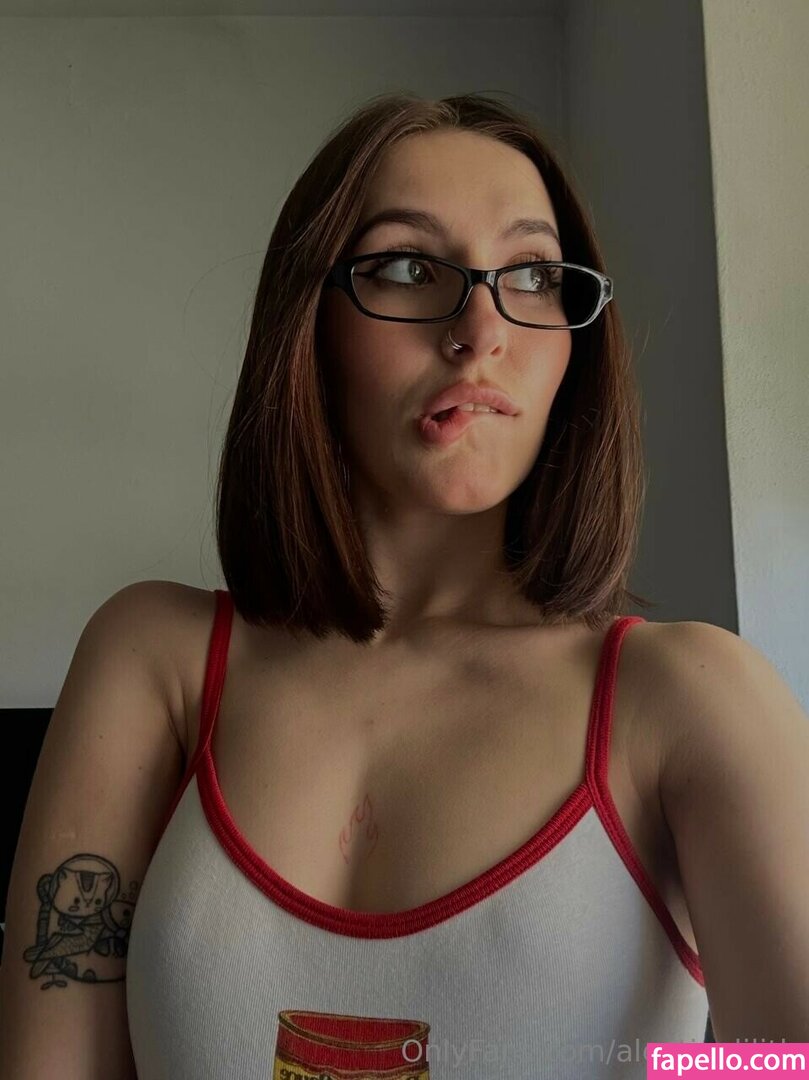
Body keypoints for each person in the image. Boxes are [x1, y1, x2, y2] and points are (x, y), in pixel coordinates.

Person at [3, 93, 807, 1080]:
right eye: (405, 267)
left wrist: (683, 1071)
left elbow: (785, 1062)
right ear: (308, 323)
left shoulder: (687, 696)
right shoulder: (151, 660)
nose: (479, 331)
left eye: (532, 274)